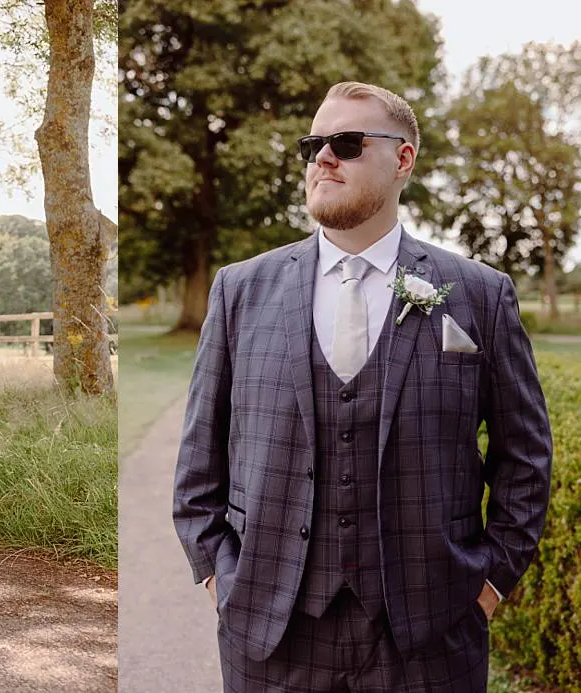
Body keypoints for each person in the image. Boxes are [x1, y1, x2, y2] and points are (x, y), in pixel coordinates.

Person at [173, 81, 553, 691]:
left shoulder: (481, 294)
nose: (323, 158)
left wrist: (488, 585)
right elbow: (200, 453)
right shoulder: (240, 289)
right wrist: (220, 575)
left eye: (347, 143)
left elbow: (525, 457)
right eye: (313, 145)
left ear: (403, 159)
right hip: (269, 631)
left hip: (432, 634)